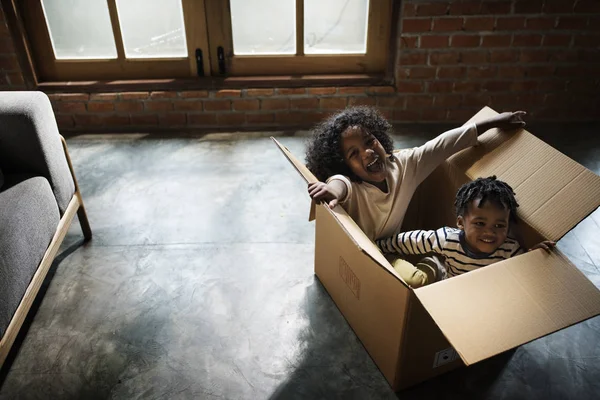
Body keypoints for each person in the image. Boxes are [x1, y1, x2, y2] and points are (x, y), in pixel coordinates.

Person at [376, 176, 555, 286]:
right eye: (480, 223)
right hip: (446, 279)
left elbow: (523, 270)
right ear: (461, 223)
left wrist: (533, 256)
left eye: (499, 226)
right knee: (416, 281)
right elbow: (411, 241)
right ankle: (432, 264)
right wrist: (380, 246)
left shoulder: (509, 250)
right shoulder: (447, 239)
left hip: (475, 294)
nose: (490, 232)